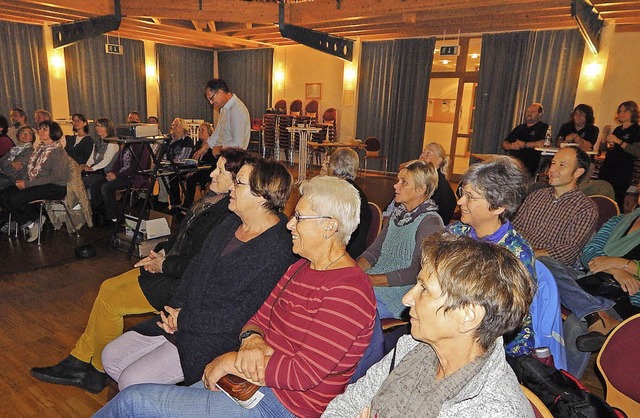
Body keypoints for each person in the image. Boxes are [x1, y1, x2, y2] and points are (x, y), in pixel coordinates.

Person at [93, 176, 377, 418]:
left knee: (134, 402)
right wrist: (252, 340)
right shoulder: (300, 267)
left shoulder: (348, 292)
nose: (290, 225)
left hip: (281, 406)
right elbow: (258, 317)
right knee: (142, 399)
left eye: (300, 218)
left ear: (329, 227)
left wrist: (231, 360)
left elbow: (301, 374)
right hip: (251, 383)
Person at [29, 148, 251, 394]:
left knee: (111, 301)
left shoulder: (227, 214)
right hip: (170, 268)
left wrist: (163, 263)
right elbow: (184, 237)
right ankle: (80, 359)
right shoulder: (213, 199)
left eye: (220, 170)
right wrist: (161, 251)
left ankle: (96, 371)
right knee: (107, 287)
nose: (211, 173)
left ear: (237, 179)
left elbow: (199, 264)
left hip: (179, 284)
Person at [100, 158, 298, 390]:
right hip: (184, 319)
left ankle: (165, 402)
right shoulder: (230, 222)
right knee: (110, 356)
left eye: (239, 183)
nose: (231, 187)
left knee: (131, 381)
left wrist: (184, 319)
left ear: (261, 195)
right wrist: (174, 312)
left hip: (218, 337)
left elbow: (244, 313)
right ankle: (164, 400)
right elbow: (195, 269)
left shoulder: (279, 247)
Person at [323, 234, 536, 418]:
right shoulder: (412, 349)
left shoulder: (495, 410)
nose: (407, 299)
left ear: (468, 315)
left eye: (424, 289)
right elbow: (346, 406)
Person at [512, 147, 619, 372]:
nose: (553, 169)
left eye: (562, 165)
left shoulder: (585, 208)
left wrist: (526, 252)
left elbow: (567, 253)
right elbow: (514, 233)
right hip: (522, 267)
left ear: (578, 172)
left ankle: (566, 386)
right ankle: (595, 312)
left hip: (561, 274)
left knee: (545, 264)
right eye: (553, 164)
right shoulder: (536, 196)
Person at [447, 156, 535, 357]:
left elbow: (503, 322)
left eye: (470, 196)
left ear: (498, 206)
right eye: (462, 192)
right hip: (454, 331)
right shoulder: (454, 233)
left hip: (496, 348)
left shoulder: (515, 254)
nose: (460, 201)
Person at [358, 159, 443, 319]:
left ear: (420, 189)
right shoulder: (397, 215)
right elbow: (373, 253)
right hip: (375, 284)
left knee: (348, 307)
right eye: (398, 181)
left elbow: (419, 270)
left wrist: (371, 280)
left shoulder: (429, 222)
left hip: (398, 295)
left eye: (403, 182)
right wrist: (353, 272)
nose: (396, 186)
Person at [0, 120, 68, 242]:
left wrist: (27, 184)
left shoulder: (58, 152)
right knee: (4, 196)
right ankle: (33, 221)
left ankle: (34, 222)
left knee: (14, 200)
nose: (40, 131)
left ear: (53, 133)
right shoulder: (40, 149)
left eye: (44, 129)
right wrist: (23, 181)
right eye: (40, 128)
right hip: (39, 184)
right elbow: (32, 172)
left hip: (55, 187)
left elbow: (54, 177)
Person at [89, 131, 150, 224]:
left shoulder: (141, 146)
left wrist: (116, 175)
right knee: (95, 184)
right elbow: (117, 163)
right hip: (120, 174)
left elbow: (135, 167)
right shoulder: (125, 146)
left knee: (106, 187)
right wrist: (112, 172)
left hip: (132, 176)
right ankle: (101, 213)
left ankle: (114, 217)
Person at [324, 147, 372, 258]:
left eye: (328, 164)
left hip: (344, 252)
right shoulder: (355, 190)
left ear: (333, 166)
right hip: (353, 248)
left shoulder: (336, 191)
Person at [193, 78, 250, 159]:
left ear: (220, 92)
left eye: (211, 98)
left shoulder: (237, 109)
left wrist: (219, 148)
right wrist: (205, 147)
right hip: (225, 157)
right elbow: (218, 131)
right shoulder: (224, 108)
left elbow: (238, 143)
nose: (211, 103)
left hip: (234, 160)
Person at [598, 100, 640, 210]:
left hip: (622, 170)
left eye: (625, 111)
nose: (621, 114)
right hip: (608, 167)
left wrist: (618, 141)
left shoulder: (637, 130)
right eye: (619, 111)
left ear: (633, 113)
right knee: (602, 196)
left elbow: (636, 151)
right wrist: (604, 136)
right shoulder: (618, 129)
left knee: (616, 199)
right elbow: (605, 149)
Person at [156, 117, 195, 207]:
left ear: (183, 128)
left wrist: (168, 162)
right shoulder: (168, 139)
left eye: (176, 125)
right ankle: (162, 200)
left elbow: (183, 158)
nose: (173, 127)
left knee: (170, 174)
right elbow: (161, 153)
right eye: (172, 125)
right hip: (168, 165)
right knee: (158, 172)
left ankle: (174, 203)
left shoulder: (187, 141)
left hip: (182, 166)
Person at [502, 103, 549, 176]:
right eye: (528, 111)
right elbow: (505, 143)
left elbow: (544, 143)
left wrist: (524, 145)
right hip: (513, 164)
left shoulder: (543, 127)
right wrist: (511, 146)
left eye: (533, 112)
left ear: (540, 114)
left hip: (530, 165)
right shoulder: (519, 128)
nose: (529, 114)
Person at [0, 126, 35, 204]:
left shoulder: (30, 152)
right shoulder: (14, 149)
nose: (26, 135)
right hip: (5, 175)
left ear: (32, 138)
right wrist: (11, 163)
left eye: (29, 134)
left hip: (15, 179)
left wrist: (7, 163)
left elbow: (16, 169)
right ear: (18, 135)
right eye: (23, 132)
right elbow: (1, 162)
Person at [184, 122, 216, 208]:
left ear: (209, 133)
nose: (200, 132)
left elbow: (211, 162)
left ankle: (187, 206)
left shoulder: (213, 147)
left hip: (207, 171)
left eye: (203, 130)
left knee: (191, 179)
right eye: (199, 130)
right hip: (196, 169)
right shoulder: (198, 144)